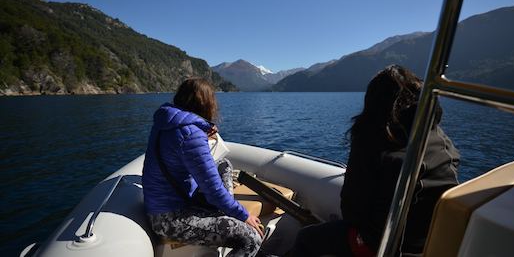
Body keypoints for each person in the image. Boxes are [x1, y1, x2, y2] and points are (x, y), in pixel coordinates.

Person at [293, 65, 460, 256]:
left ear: (373, 100)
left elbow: (352, 212)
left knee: (305, 239)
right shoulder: (440, 139)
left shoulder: (372, 138)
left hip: (384, 246)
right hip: (432, 244)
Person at [142, 78, 263, 257]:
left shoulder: (167, 122)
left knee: (224, 164)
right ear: (207, 103)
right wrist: (243, 215)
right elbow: (213, 190)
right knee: (252, 239)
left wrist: (203, 132)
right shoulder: (191, 134)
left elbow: (183, 151)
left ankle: (224, 209)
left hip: (166, 203)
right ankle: (227, 210)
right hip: (171, 219)